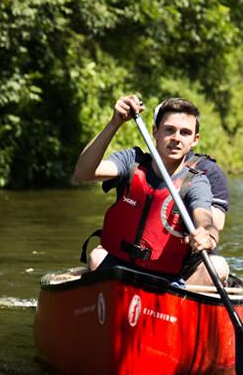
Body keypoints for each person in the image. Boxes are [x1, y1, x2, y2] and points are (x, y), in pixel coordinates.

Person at [73, 95, 229, 285]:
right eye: (169, 130)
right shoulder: (131, 161)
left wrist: (207, 234)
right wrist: (114, 124)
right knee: (96, 258)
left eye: (185, 133)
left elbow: (204, 217)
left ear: (195, 140)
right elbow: (83, 173)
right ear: (155, 131)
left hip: (166, 280)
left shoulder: (197, 181)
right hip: (116, 268)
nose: (176, 139)